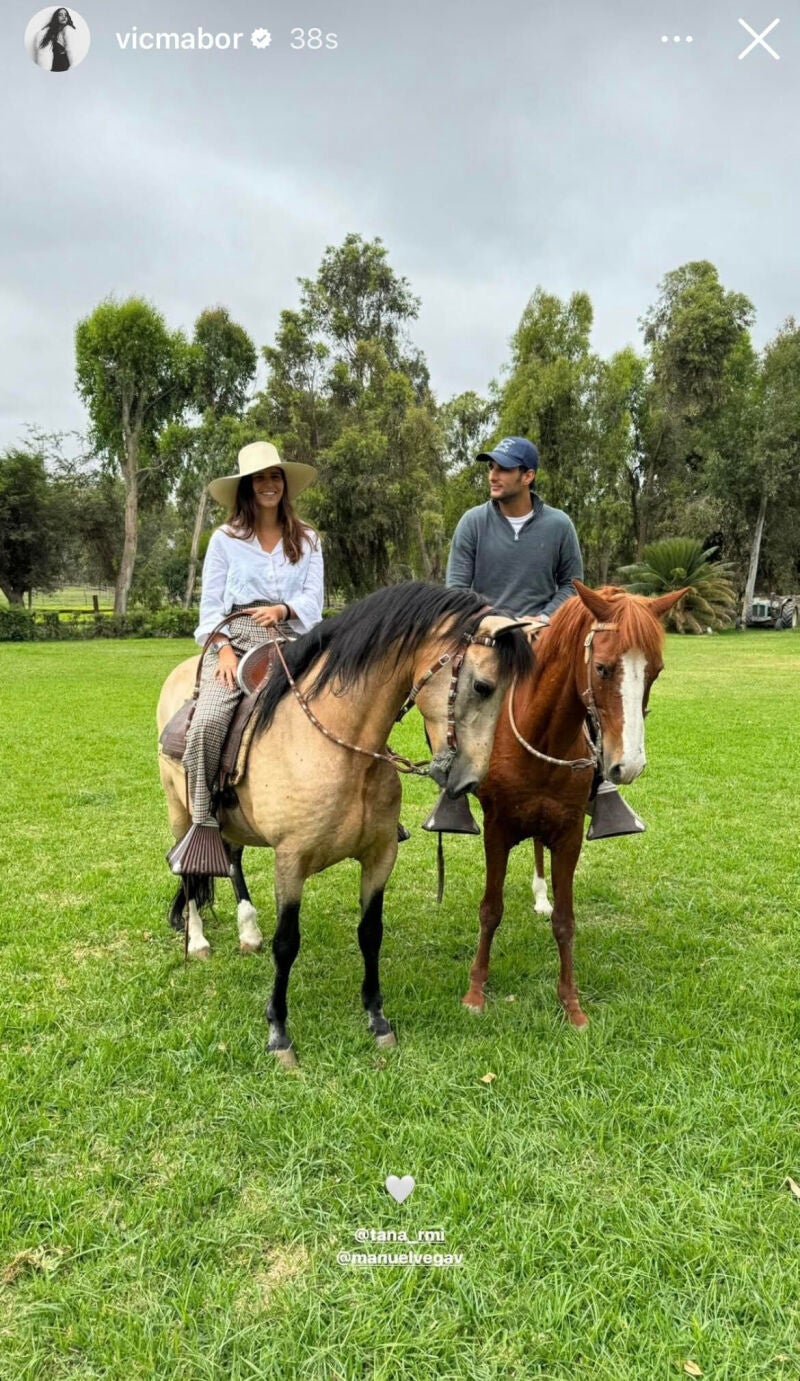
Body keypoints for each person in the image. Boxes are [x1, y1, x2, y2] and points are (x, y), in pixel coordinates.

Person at [168, 441, 323, 877]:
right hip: (238, 636)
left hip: (295, 637)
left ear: (284, 484)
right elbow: (211, 607)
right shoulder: (225, 539)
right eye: (260, 478)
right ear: (247, 487)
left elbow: (314, 598)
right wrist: (221, 649)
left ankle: (373, 808)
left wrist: (284, 610)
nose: (269, 485)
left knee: (347, 697)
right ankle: (203, 822)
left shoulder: (307, 538)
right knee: (209, 719)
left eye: (275, 477)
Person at [445, 435, 583, 625]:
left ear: (528, 476)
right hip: (485, 635)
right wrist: (490, 620)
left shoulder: (560, 525)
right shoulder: (472, 522)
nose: (493, 476)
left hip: (539, 634)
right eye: (491, 467)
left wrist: (544, 618)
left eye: (503, 469)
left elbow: (572, 585)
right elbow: (457, 589)